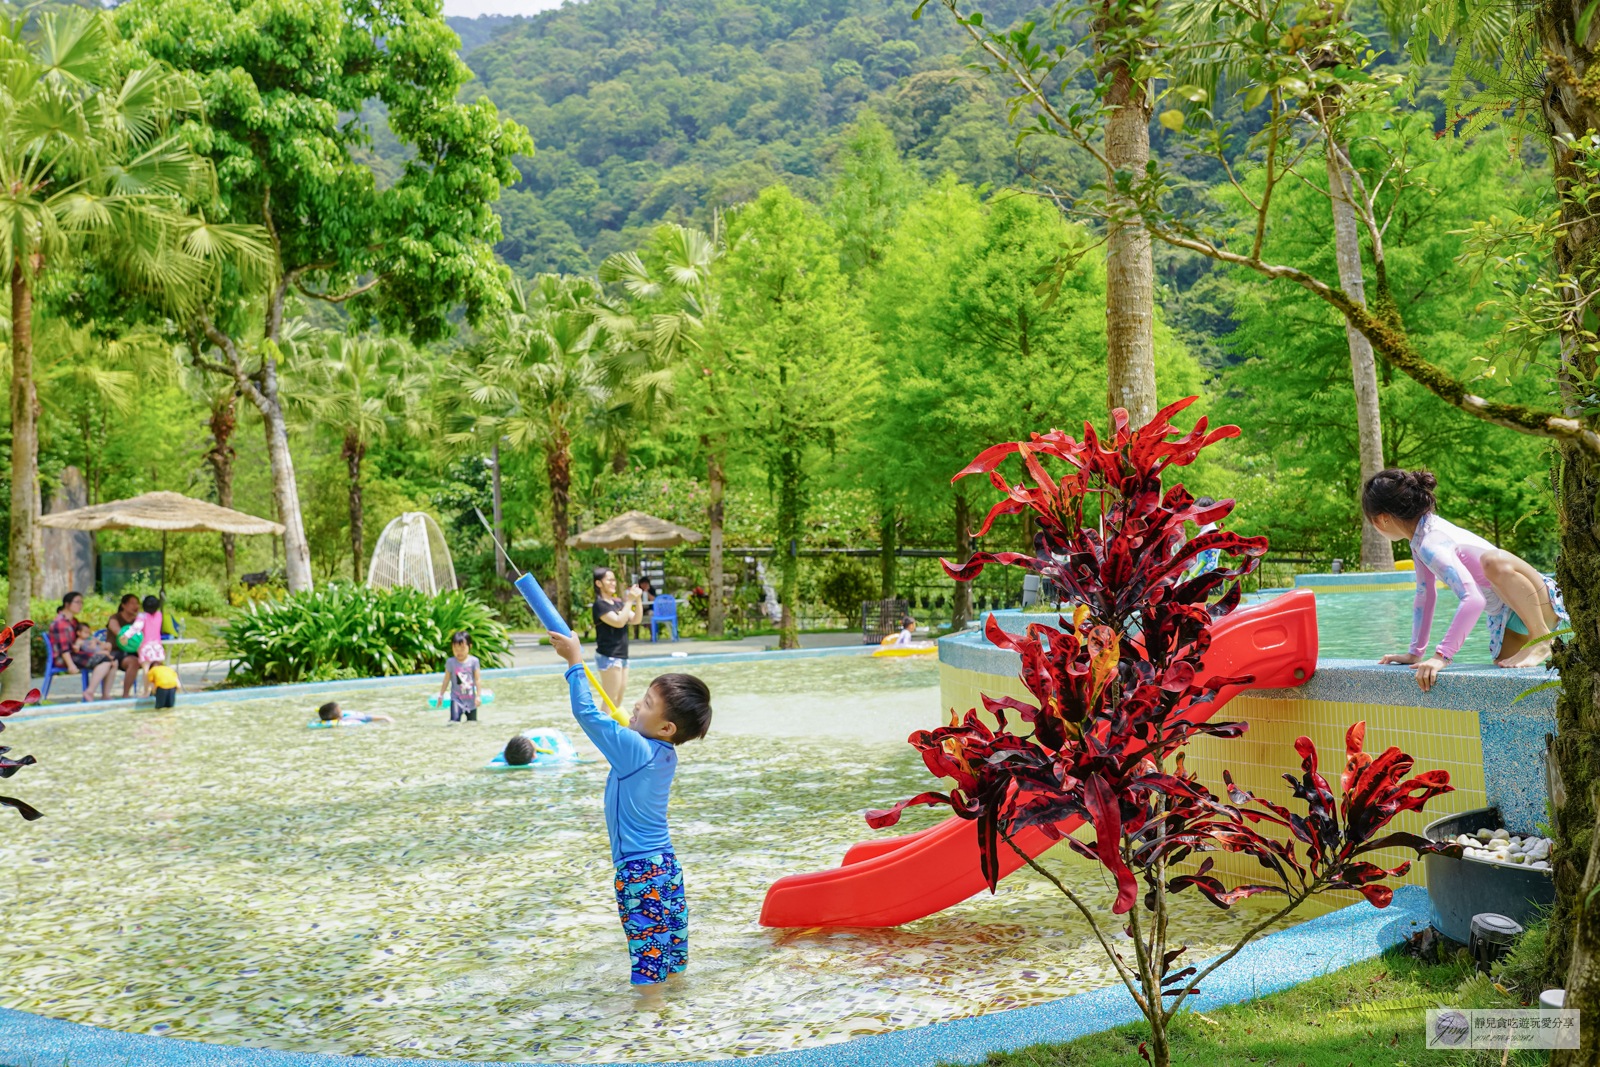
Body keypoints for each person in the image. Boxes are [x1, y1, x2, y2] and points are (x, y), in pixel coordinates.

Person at [547, 628, 712, 986]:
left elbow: (587, 713)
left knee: (648, 968)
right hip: (666, 868)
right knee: (670, 959)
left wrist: (575, 661)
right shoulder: (665, 753)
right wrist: (637, 722)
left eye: (648, 704)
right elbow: (634, 734)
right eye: (643, 697)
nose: (637, 704)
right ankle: (676, 1016)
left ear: (667, 727)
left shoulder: (635, 750)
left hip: (639, 874)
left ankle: (647, 1028)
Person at [1365, 468, 1570, 690]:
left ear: (1383, 519)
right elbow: (1425, 596)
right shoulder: (1418, 542)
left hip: (1536, 602)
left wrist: (1442, 655)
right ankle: (1537, 640)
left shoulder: (1432, 540)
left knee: (1493, 561)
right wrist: (1415, 653)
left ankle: (1541, 638)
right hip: (1504, 619)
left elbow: (1473, 599)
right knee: (1511, 686)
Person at [592, 567, 643, 708]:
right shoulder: (599, 605)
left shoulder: (618, 603)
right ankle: (601, 730)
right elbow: (619, 622)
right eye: (609, 580)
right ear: (599, 583)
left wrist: (637, 600)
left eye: (614, 580)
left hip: (622, 655)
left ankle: (613, 728)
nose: (613, 583)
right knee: (610, 698)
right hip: (609, 655)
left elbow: (636, 619)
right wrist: (629, 600)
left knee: (618, 699)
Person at [49, 592, 114, 701]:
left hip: (76, 653)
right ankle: (89, 692)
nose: (80, 605)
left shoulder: (73, 621)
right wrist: (71, 665)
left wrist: (93, 641)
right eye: (77, 602)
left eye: (81, 602)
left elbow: (84, 637)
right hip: (65, 658)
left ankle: (105, 695)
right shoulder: (60, 622)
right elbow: (63, 648)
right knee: (106, 660)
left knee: (114, 662)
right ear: (67, 604)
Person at [437, 631, 482, 723]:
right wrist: (441, 695)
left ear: (470, 646)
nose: (459, 652)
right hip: (456, 699)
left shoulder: (474, 661)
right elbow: (446, 679)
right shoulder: (451, 662)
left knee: (472, 724)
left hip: (471, 700)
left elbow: (477, 679)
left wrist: (478, 696)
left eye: (462, 649)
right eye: (456, 649)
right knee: (454, 722)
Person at [106, 594, 143, 698]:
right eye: (132, 603)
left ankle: (155, 691)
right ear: (123, 605)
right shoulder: (115, 618)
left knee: (154, 660)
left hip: (135, 652)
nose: (135, 606)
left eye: (137, 603)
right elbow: (117, 631)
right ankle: (125, 695)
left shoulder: (139, 620)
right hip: (117, 653)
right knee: (134, 662)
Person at [135, 595, 166, 667]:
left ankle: (147, 679)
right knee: (157, 668)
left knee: (146, 668)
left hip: (146, 647)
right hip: (157, 647)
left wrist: (125, 635)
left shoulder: (142, 616)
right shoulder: (159, 615)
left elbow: (135, 628)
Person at [316, 701, 395, 725]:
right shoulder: (347, 719)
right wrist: (384, 717)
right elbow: (366, 717)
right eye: (340, 711)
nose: (342, 711)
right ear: (336, 718)